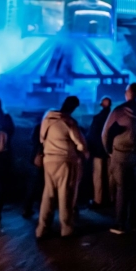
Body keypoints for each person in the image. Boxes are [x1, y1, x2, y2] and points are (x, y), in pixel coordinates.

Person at [102, 83, 136, 235]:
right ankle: (134, 222)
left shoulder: (117, 111)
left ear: (127, 93)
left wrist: (109, 151)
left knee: (121, 189)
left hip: (120, 155)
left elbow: (105, 134)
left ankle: (120, 224)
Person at [37, 96, 88, 238]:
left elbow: (42, 139)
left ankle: (42, 228)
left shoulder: (47, 119)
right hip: (65, 161)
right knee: (66, 194)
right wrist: (84, 153)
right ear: (73, 108)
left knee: (48, 194)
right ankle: (66, 228)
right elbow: (81, 143)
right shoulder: (69, 122)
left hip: (48, 160)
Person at [86, 97, 112, 209]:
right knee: (111, 178)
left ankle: (98, 200)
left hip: (98, 151)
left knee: (98, 177)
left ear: (101, 105)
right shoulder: (114, 118)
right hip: (111, 152)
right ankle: (112, 199)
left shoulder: (97, 118)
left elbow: (92, 135)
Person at [23, 121, 46, 219]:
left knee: (32, 186)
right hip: (41, 158)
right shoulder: (46, 128)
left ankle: (27, 209)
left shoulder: (37, 128)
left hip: (34, 159)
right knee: (42, 185)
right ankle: (42, 209)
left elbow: (32, 140)